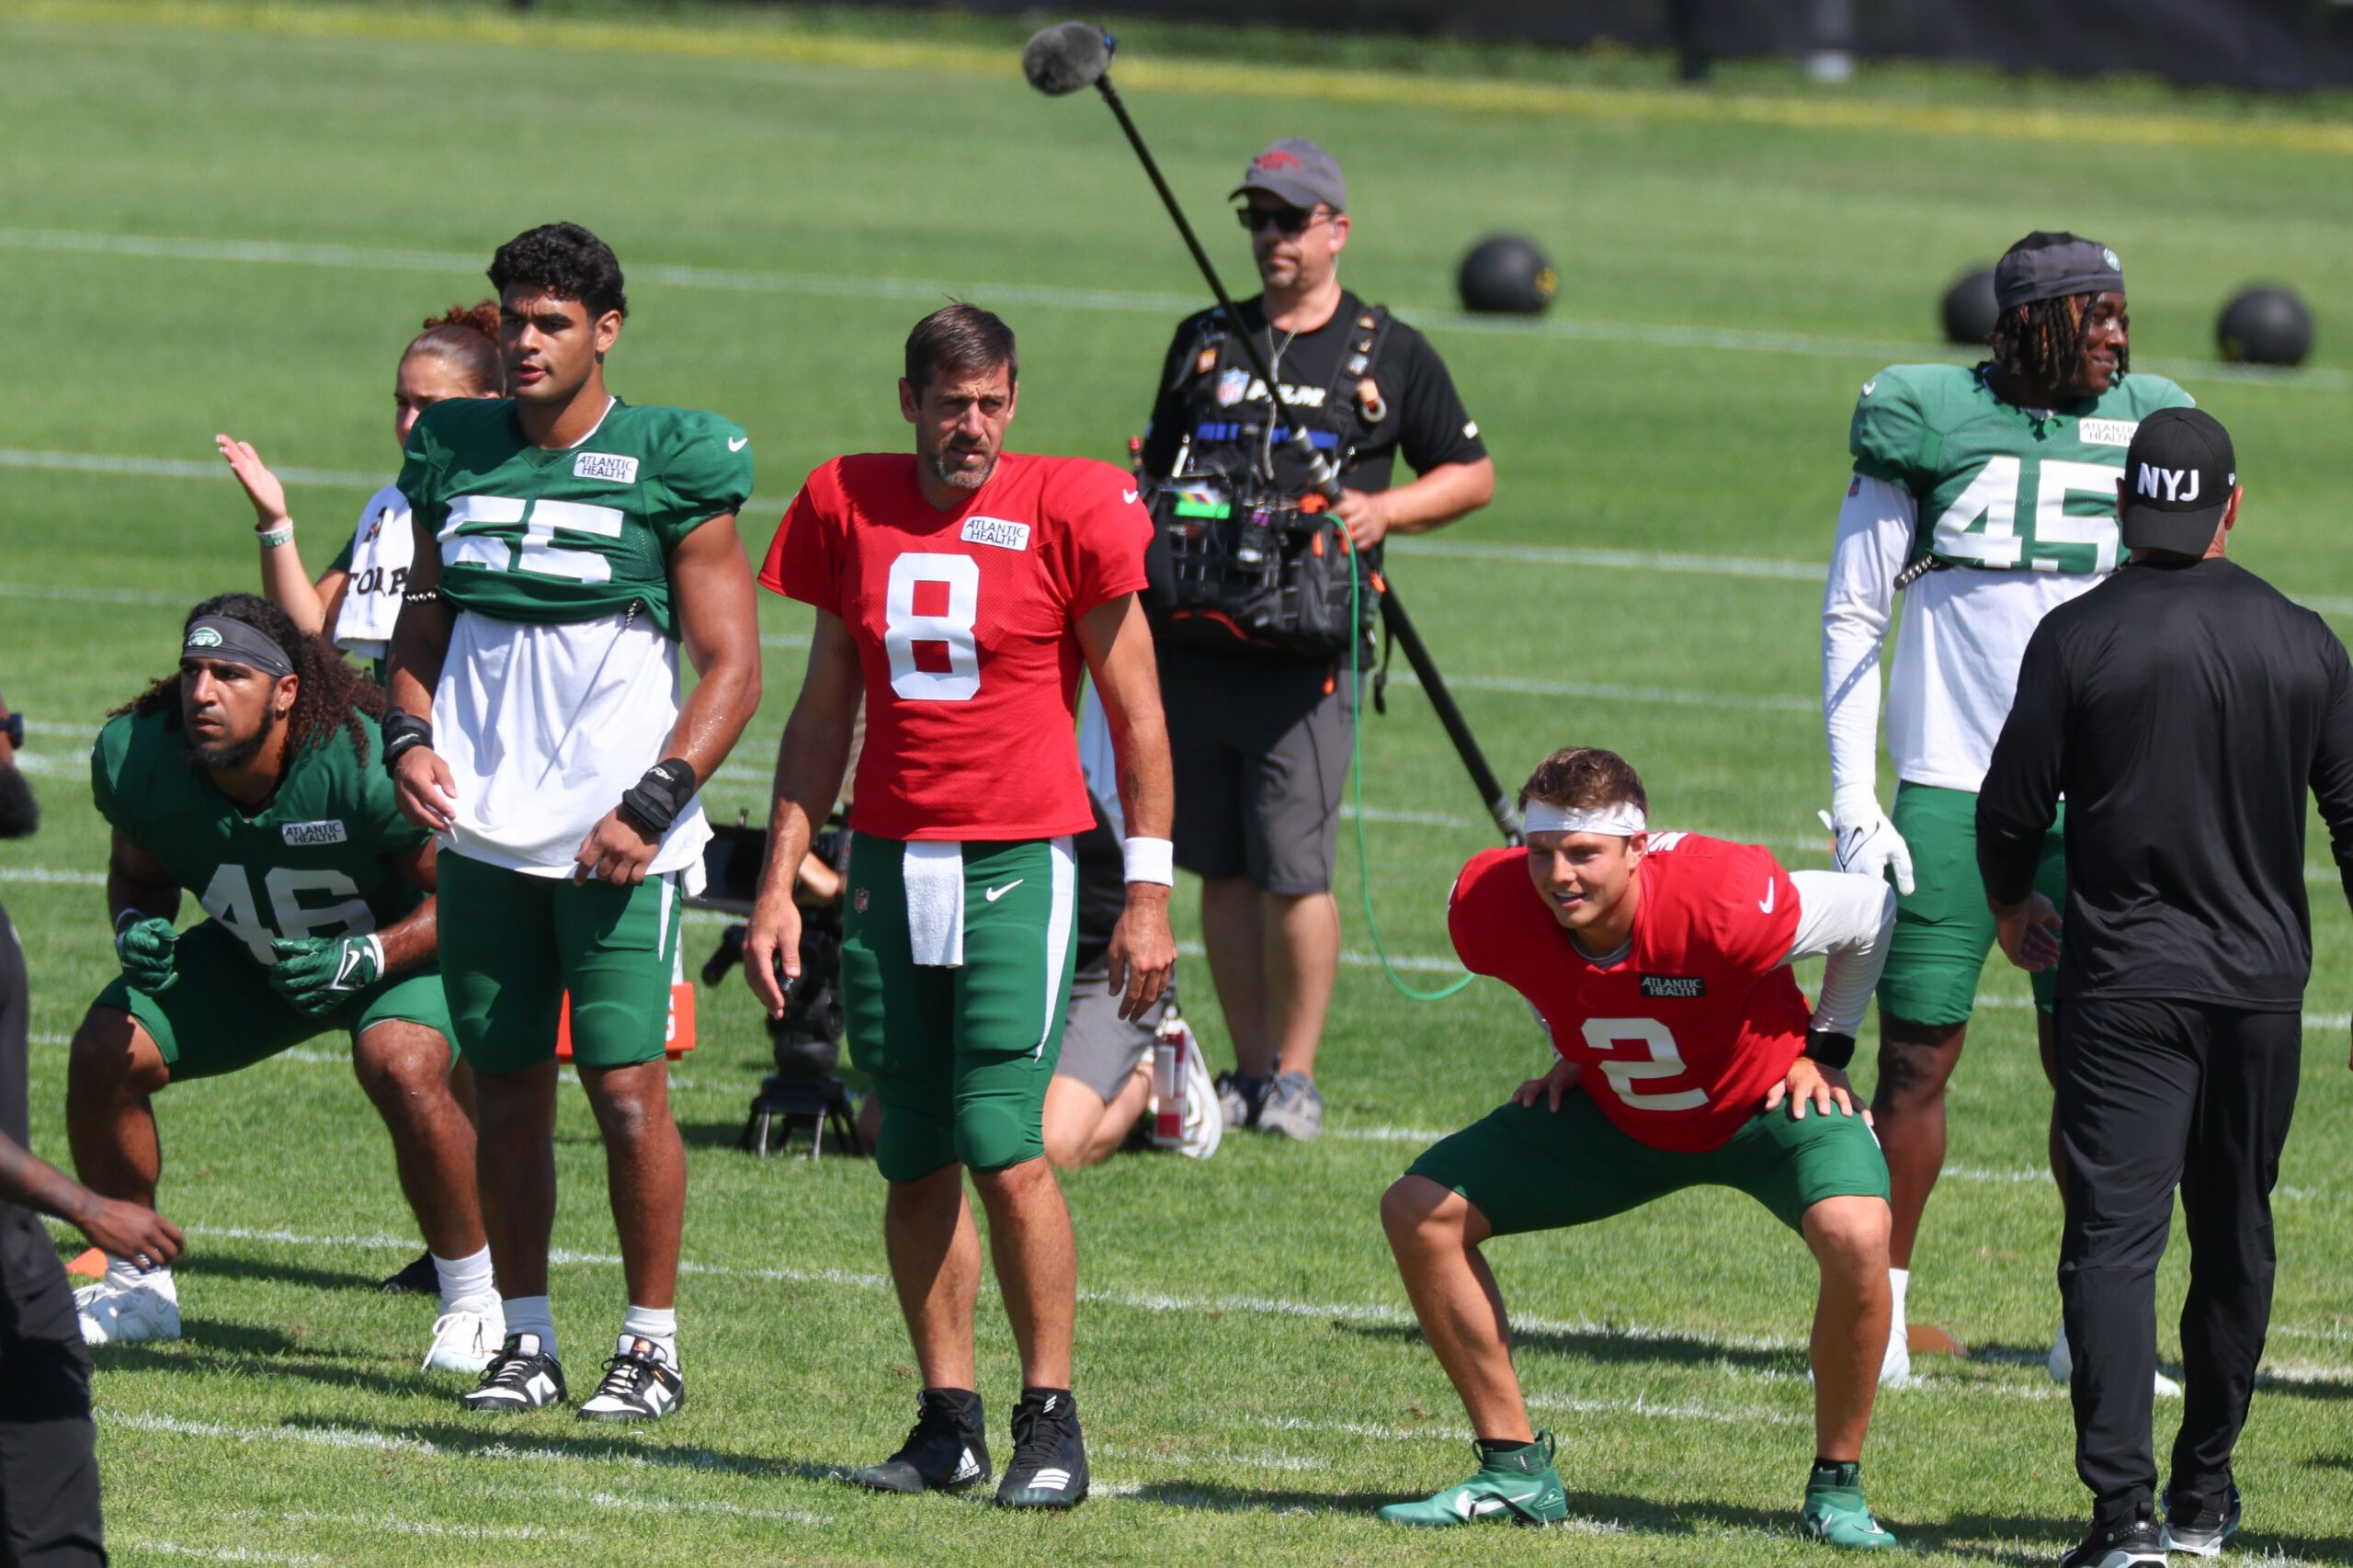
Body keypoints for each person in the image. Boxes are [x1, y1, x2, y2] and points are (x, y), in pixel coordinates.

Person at [746, 302, 1176, 1507]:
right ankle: (949, 1419)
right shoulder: (845, 498)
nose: (971, 425)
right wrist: (779, 880)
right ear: (910, 403)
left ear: (1014, 402)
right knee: (912, 1138)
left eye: (991, 402)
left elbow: (1138, 717)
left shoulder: (1071, 504)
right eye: (951, 403)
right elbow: (824, 709)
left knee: (1004, 1133)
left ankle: (1053, 1417)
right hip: (889, 858)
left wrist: (1147, 891)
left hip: (1018, 860)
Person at [385, 222, 762, 1422]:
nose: (528, 341)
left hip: (618, 839)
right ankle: (528, 1336)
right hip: (488, 829)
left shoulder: (672, 455)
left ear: (606, 330)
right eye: (514, 319)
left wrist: (653, 801)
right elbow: (425, 624)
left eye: (553, 322)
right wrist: (406, 732)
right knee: (503, 1086)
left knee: (625, 1088)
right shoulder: (453, 445)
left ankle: (649, 1344)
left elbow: (733, 665)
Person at [1977, 408, 2353, 1568]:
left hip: (2123, 983)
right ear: (2231, 504)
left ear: (2127, 503)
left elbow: (2008, 804)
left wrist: (2009, 902)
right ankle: (2202, 1493)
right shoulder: (2304, 640)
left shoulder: (2077, 634)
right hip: (2258, 990)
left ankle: (2121, 1517)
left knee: (2111, 1243)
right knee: (2235, 1234)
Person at [1818, 231, 2195, 1384]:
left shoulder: (2154, 421)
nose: (2117, 336)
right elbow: (1853, 612)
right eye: (2093, 315)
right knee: (1916, 1061)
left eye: (2121, 313)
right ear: (2028, 323)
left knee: (2099, 1063)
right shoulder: (1924, 417)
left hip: (2107, 792)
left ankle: (2093, 1322)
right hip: (1950, 779)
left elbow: (2188, 615)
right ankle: (1878, 1312)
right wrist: (1849, 790)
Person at [1379, 747, 1902, 1548]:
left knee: (1857, 1232)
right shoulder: (1489, 901)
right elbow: (1537, 974)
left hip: (1762, 1105)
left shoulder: (1721, 898)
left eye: (1584, 854)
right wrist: (1574, 1049)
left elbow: (1870, 911)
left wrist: (1824, 1051)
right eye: (1543, 853)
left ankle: (1837, 1487)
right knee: (1419, 1212)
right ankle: (1514, 1473)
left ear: (1637, 847)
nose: (1560, 876)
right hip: (1623, 1111)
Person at [1136, 138, 1494, 1142]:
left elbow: (1471, 474)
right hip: (1196, 638)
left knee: (1294, 866)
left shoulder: (1389, 351)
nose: (1270, 238)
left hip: (1303, 657)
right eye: (1256, 219)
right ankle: (1246, 1067)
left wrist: (1386, 513)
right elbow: (1154, 474)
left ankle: (1295, 1074)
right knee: (1221, 865)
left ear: (1337, 229)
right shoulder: (1203, 339)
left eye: (1290, 220)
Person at [65, 595, 497, 1373]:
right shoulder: (141, 754)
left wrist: (367, 956)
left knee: (399, 1061)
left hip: (392, 956)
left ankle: (473, 1299)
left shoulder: (360, 761)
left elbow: (468, 896)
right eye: (193, 671)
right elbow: (140, 875)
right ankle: (135, 1286)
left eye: (230, 674)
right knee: (107, 1048)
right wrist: (135, 927)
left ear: (286, 692)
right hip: (258, 956)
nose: (202, 692)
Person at [1, 685, 180, 1567]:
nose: (16, 751)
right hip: (22, 1249)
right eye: (8, 733)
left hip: (16, 1262)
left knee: (57, 1536)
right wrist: (88, 1206)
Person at [218, 302, 505, 676]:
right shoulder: (392, 509)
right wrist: (275, 523)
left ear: (486, 408)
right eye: (402, 404)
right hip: (403, 729)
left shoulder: (510, 506)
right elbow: (313, 637)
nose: (409, 423)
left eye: (429, 405)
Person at [1040, 697, 1216, 1169]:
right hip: (1006, 963)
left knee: (1053, 1146)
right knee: (895, 1126)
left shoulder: (1071, 759)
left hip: (1102, 966)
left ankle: (1148, 1070)